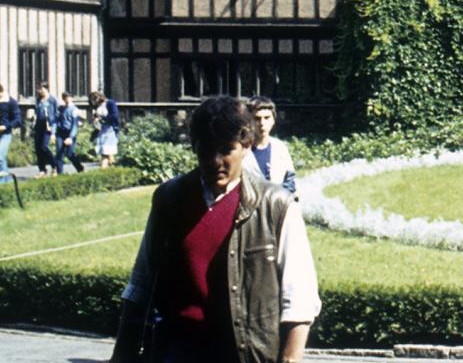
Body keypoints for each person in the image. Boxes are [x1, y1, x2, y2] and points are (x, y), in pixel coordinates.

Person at [112, 96, 319, 363]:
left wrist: (289, 359)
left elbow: (299, 298)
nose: (215, 160)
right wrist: (121, 355)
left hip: (244, 353)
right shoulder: (170, 199)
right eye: (206, 150)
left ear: (245, 146)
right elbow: (141, 285)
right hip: (178, 351)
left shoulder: (276, 205)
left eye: (225, 149)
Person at [243, 97, 298, 196]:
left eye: (267, 118)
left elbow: (290, 181)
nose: (262, 123)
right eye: (257, 119)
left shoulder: (281, 148)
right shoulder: (242, 150)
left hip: (278, 204)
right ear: (248, 121)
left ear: (273, 120)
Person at [32, 81, 60, 173]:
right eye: (38, 89)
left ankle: (54, 165)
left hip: (48, 126)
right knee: (38, 148)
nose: (39, 91)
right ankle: (42, 170)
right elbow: (36, 111)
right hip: (39, 125)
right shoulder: (38, 99)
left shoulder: (52, 100)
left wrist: (53, 132)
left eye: (41, 89)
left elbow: (56, 116)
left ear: (46, 88)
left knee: (44, 147)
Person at [57, 90, 86, 174]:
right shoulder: (61, 108)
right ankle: (60, 173)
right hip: (61, 132)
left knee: (70, 154)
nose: (67, 99)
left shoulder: (74, 109)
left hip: (69, 132)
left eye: (68, 97)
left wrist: (70, 137)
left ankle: (80, 168)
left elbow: (75, 125)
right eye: (65, 97)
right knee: (59, 152)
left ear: (71, 98)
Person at [91, 89, 122, 168]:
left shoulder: (110, 103)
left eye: (95, 99)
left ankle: (103, 170)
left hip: (110, 130)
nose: (94, 102)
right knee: (108, 155)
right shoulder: (98, 106)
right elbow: (97, 115)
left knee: (105, 153)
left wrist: (101, 119)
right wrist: (95, 118)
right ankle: (113, 168)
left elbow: (115, 116)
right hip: (102, 130)